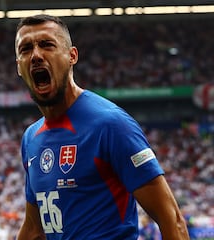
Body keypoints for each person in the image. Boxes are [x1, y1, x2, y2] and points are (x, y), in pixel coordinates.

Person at [14, 14, 190, 240]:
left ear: (71, 56)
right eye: (26, 49)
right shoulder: (31, 139)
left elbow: (171, 220)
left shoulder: (110, 124)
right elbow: (33, 229)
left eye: (47, 45)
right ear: (19, 67)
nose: (36, 55)